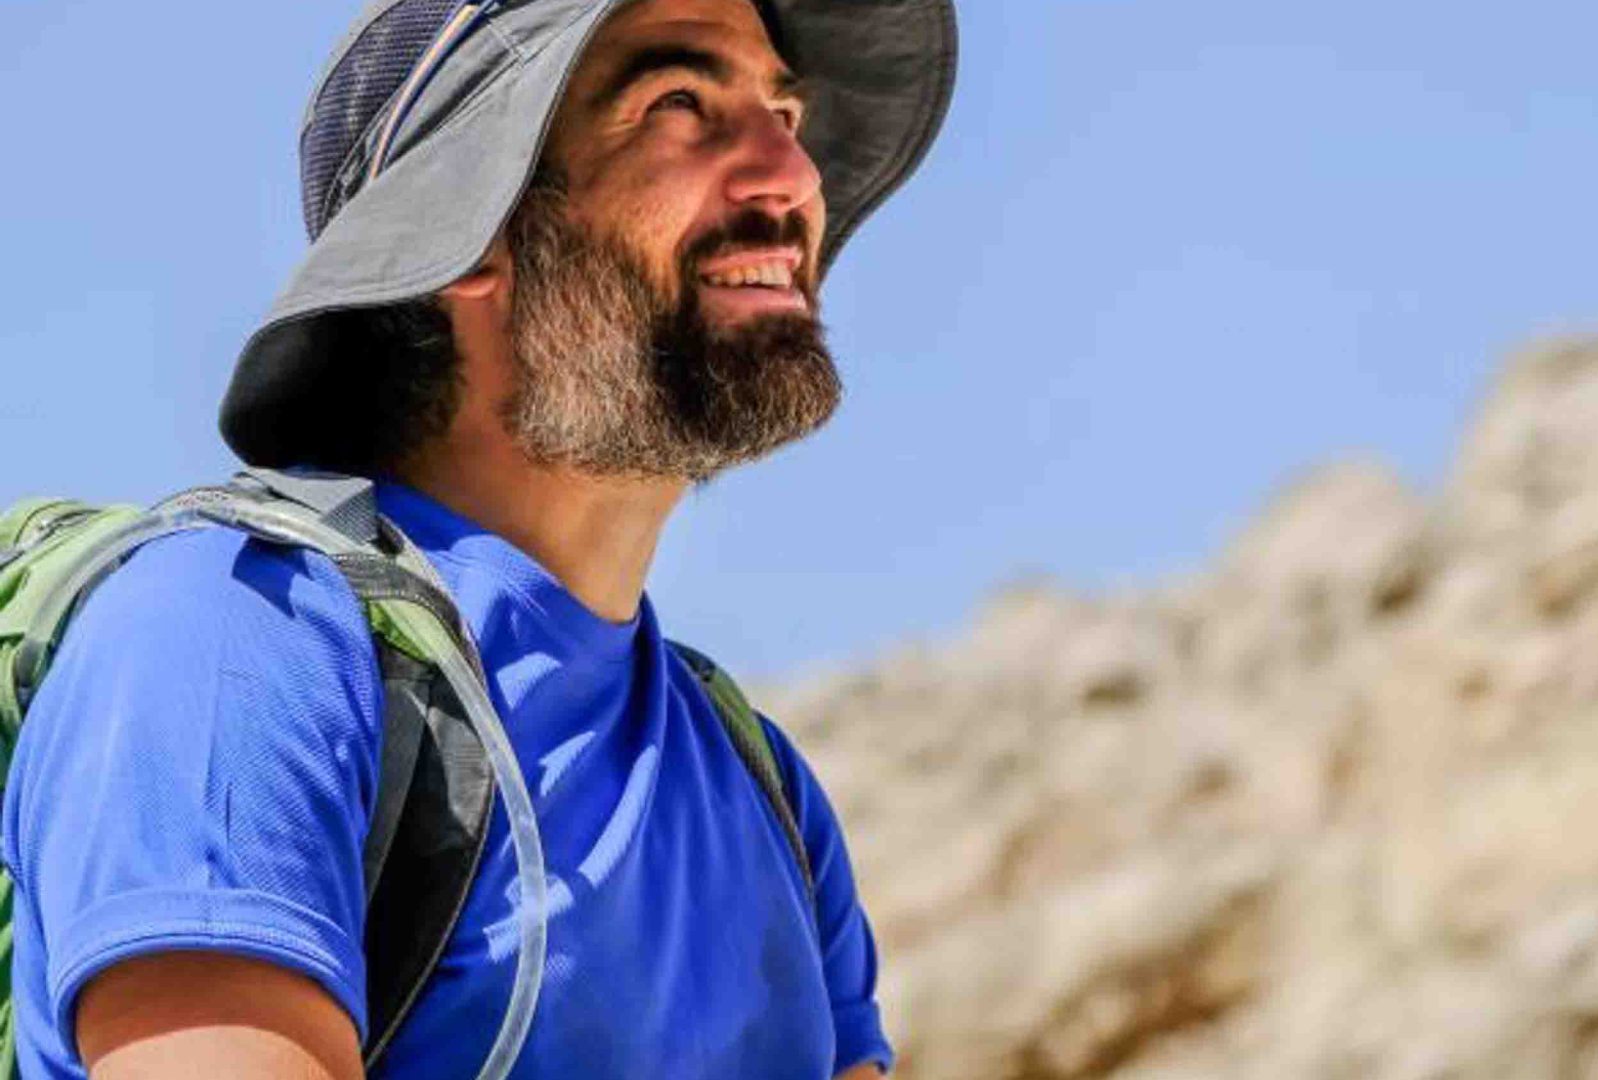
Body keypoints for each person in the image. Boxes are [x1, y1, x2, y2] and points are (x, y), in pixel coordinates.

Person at [0, 0, 956, 1075]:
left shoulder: (760, 785)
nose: (790, 174)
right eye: (680, 106)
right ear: (470, 229)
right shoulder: (228, 643)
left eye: (782, 110)